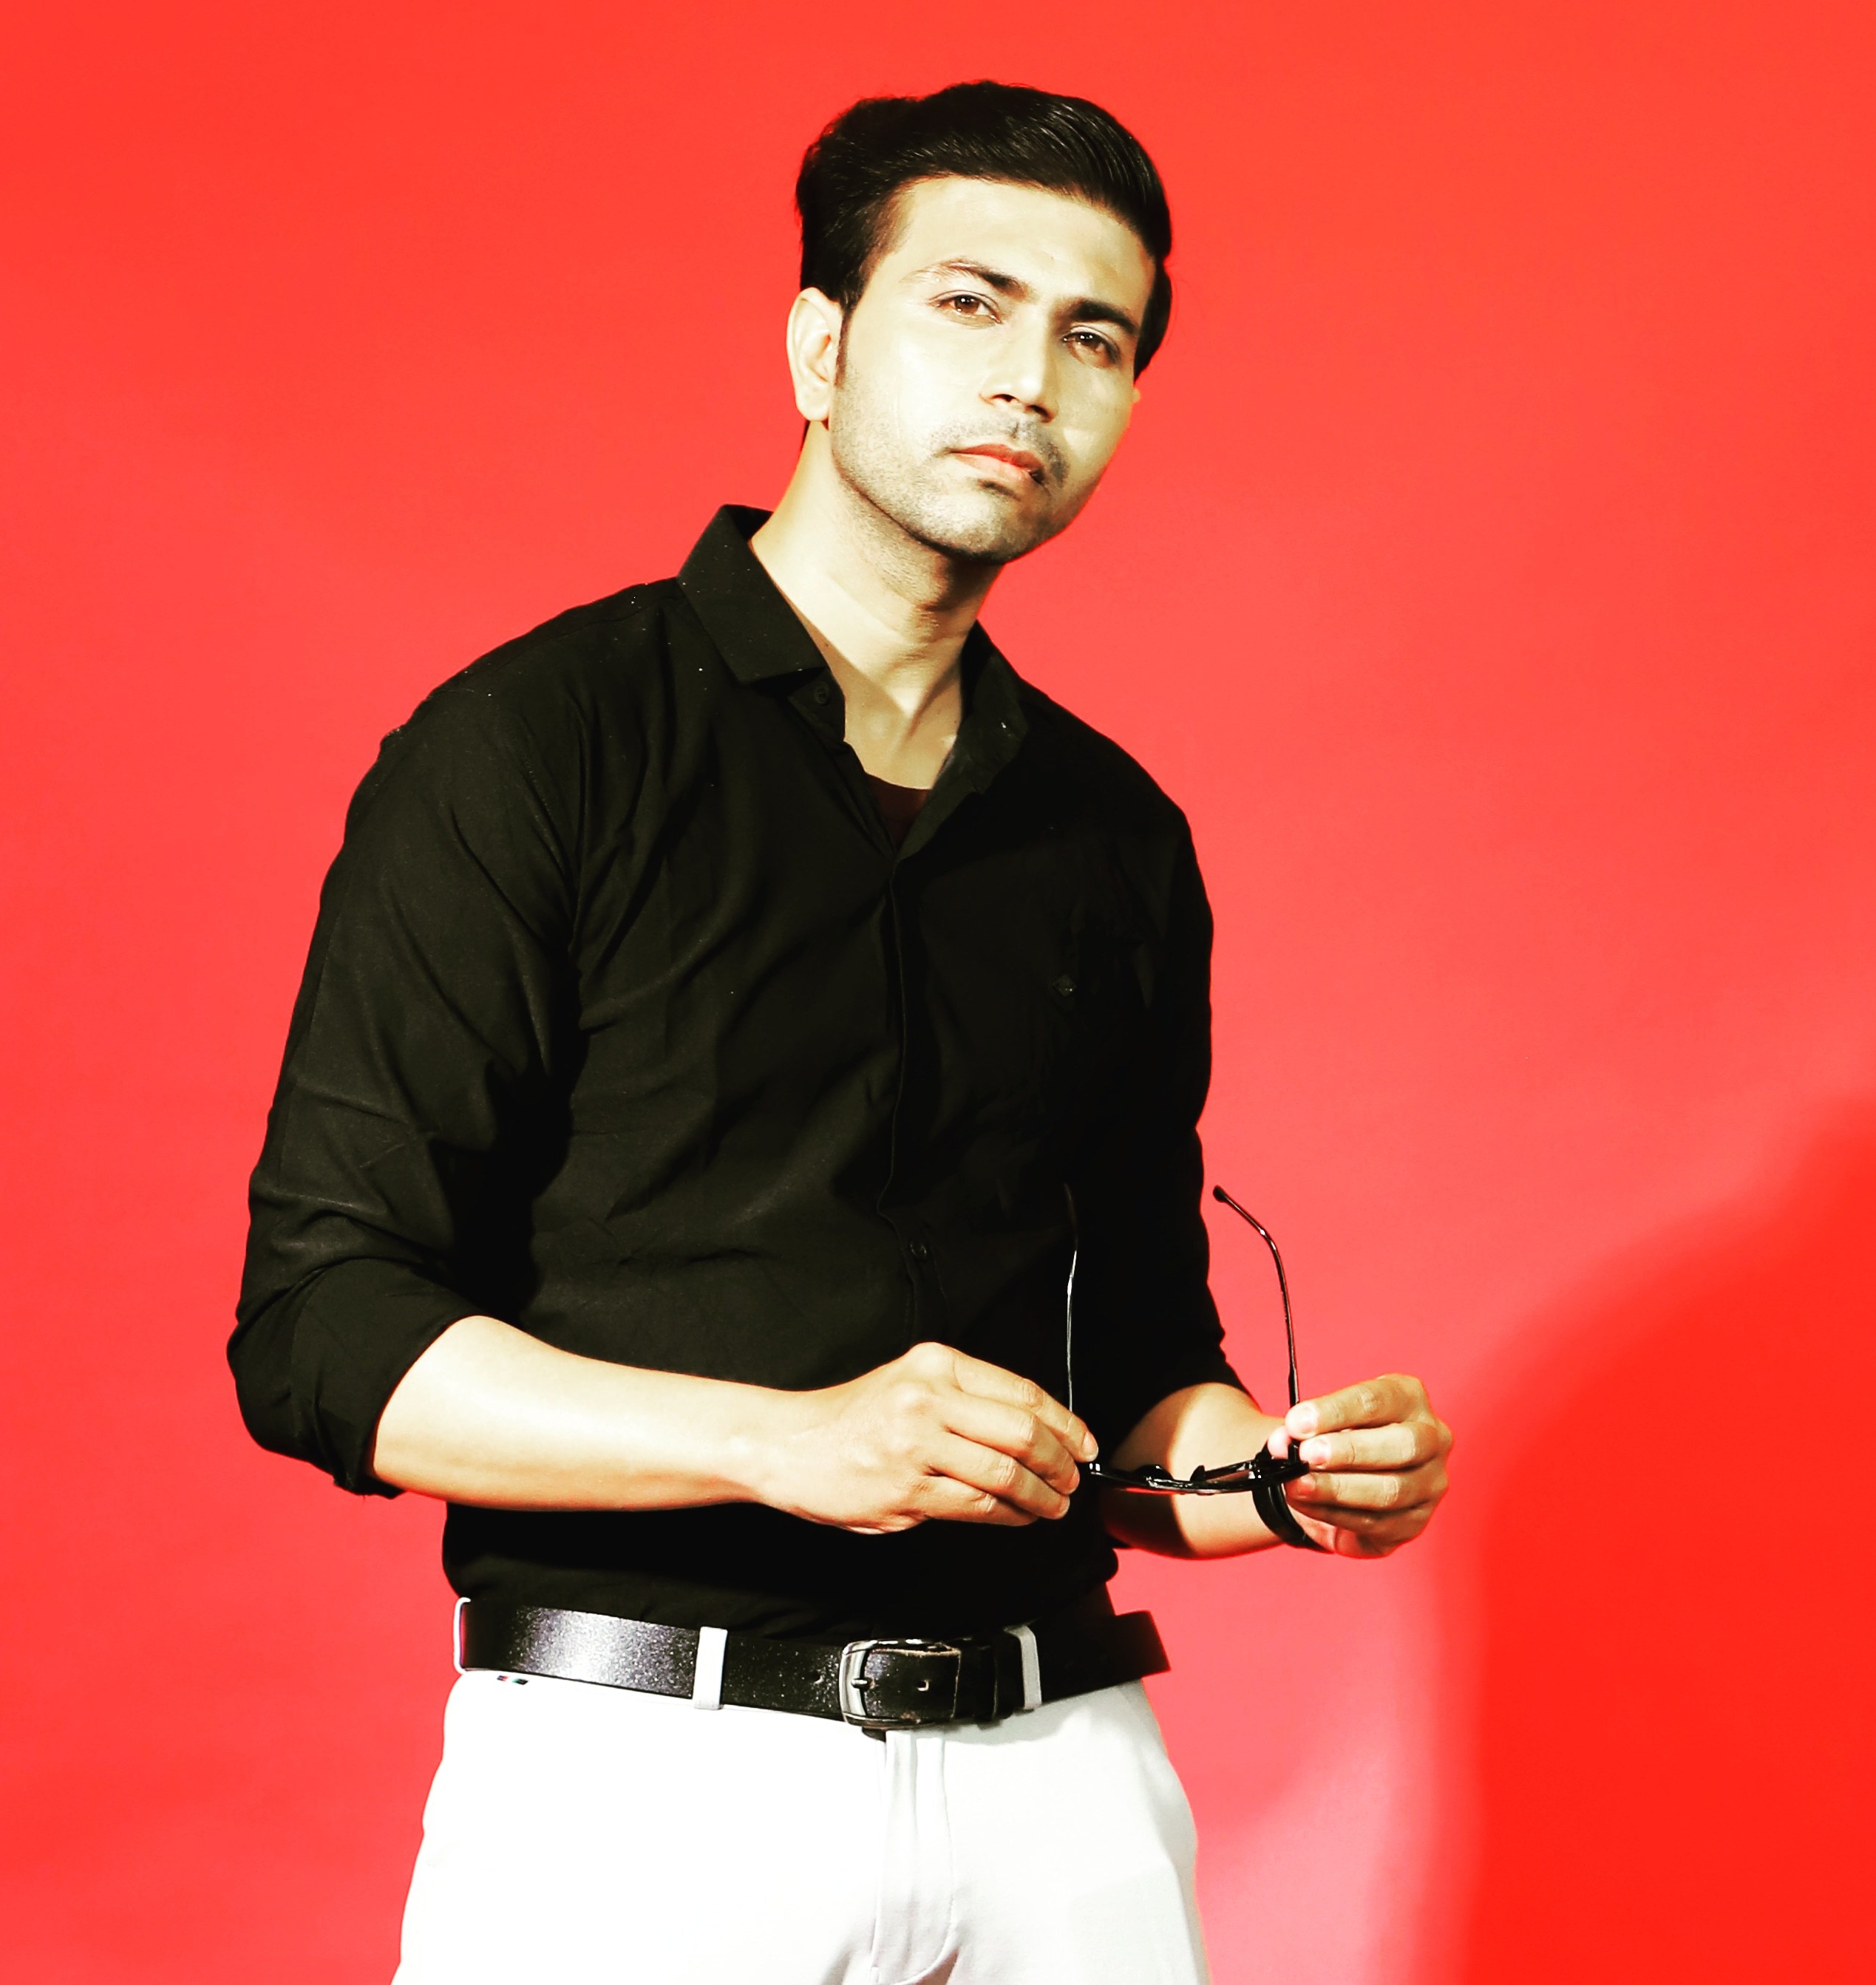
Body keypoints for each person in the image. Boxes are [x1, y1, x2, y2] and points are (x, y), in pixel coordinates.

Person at [231, 80, 1453, 1985]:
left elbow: (1138, 1370)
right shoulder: (534, 748)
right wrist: (791, 1443)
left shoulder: (1116, 838)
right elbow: (324, 1337)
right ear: (819, 347)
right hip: (647, 1776)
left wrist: (1280, 1479)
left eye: (1096, 336)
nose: (1030, 379)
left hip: (1065, 1785)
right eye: (970, 303)